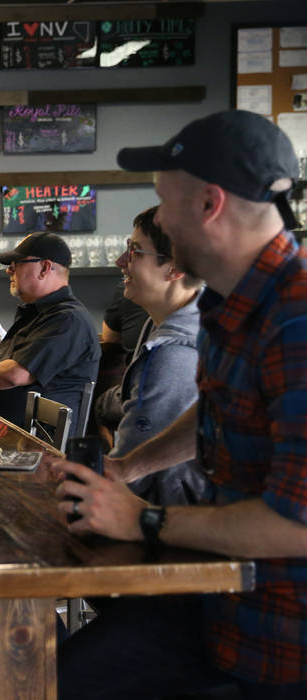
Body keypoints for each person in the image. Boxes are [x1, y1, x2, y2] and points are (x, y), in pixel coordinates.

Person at [54, 110, 307, 698]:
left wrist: (143, 518)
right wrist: (128, 468)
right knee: (47, 673)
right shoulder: (233, 300)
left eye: (164, 204)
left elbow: (298, 524)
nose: (161, 220)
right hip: (216, 604)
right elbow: (221, 406)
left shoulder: (296, 320)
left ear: (209, 204)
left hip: (277, 644)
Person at [94, 206, 210, 506]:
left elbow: (130, 479)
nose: (121, 262)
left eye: (134, 251)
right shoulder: (166, 320)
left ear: (175, 268)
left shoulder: (171, 353)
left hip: (175, 526)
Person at [0, 232, 100, 428]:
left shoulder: (67, 319)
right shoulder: (36, 313)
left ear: (45, 268)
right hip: (6, 433)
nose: (9, 271)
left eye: (17, 263)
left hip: (37, 447)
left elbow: (14, 375)